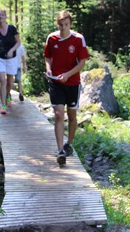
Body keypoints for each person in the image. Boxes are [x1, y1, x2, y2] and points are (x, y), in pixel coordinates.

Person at [43, 10, 89, 165]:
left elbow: (82, 63)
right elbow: (48, 56)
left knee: (72, 116)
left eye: (66, 25)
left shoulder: (78, 39)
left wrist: (68, 74)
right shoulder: (52, 38)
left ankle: (69, 143)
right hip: (56, 81)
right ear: (57, 24)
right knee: (58, 114)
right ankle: (60, 150)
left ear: (71, 24)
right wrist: (49, 69)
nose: (63, 28)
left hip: (73, 83)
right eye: (61, 25)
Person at [0, 9, 20, 114]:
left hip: (11, 59)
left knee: (10, 82)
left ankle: (8, 95)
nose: (0, 17)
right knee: (2, 80)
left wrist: (12, 50)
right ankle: (3, 105)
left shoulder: (12, 29)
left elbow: (18, 42)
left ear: (5, 16)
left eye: (2, 15)